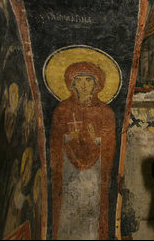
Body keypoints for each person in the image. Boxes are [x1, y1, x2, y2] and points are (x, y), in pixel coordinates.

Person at [50, 62, 116, 239]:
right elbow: (55, 145)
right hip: (68, 176)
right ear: (72, 83)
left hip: (94, 177)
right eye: (79, 80)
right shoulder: (62, 110)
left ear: (97, 84)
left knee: (92, 213)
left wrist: (95, 139)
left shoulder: (105, 112)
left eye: (89, 80)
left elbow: (109, 148)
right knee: (68, 211)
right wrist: (70, 139)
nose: (84, 84)